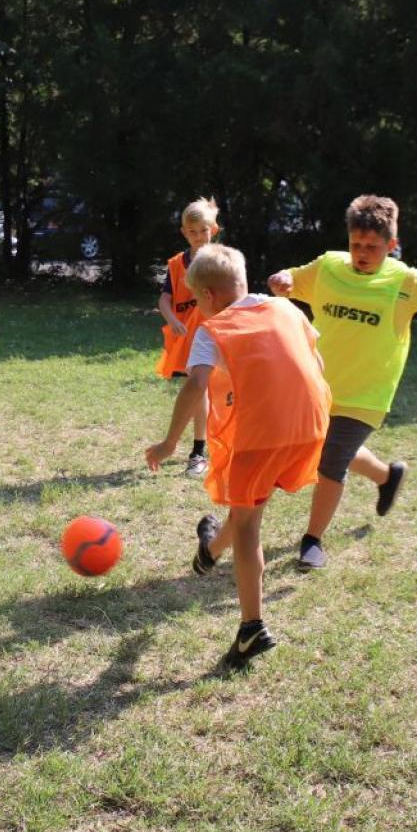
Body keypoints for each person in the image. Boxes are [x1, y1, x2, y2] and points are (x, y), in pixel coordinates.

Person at [268, 194, 417, 570]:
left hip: (368, 393)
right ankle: (387, 476)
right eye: (356, 244)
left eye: (372, 247)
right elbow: (293, 279)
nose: (362, 253)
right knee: (324, 447)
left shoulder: (405, 281)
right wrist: (283, 279)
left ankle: (312, 541)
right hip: (319, 384)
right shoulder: (328, 266)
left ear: (391, 245)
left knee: (331, 461)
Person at [146, 244, 329, 671]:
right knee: (248, 503)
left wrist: (170, 443)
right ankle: (210, 551)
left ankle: (251, 628)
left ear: (208, 296)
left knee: (248, 526)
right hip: (310, 426)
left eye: (197, 301)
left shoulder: (213, 329)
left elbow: (195, 386)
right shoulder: (285, 308)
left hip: (263, 433)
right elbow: (316, 360)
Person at [155, 197, 222, 477]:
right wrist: (173, 320)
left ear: (213, 229)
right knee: (199, 390)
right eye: (192, 232)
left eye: (203, 231)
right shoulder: (176, 264)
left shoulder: (221, 261)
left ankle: (205, 450)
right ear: (184, 232)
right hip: (190, 339)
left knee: (212, 392)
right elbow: (164, 299)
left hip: (217, 336)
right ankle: (199, 451)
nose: (198, 236)